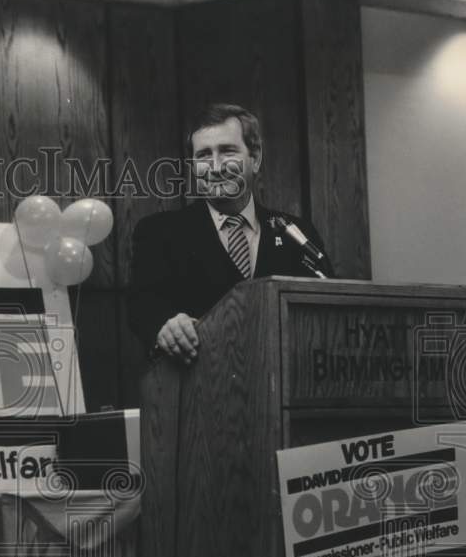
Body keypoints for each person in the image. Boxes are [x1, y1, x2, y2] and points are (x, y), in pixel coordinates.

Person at [126, 102, 334, 364]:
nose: (215, 167)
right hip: (199, 391)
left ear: (255, 158)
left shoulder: (297, 233)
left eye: (227, 152)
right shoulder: (159, 232)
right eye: (203, 155)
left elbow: (327, 307)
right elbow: (142, 306)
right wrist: (165, 326)